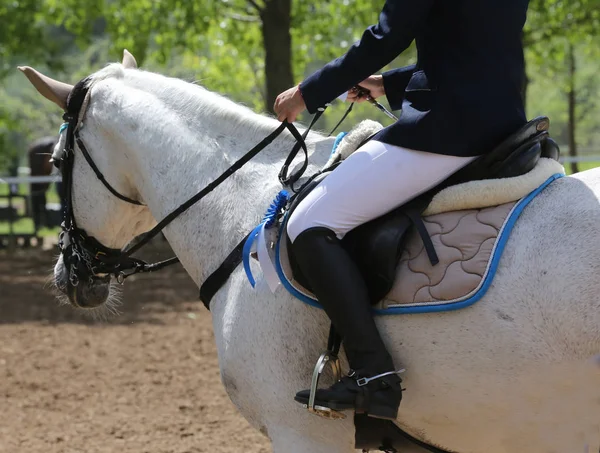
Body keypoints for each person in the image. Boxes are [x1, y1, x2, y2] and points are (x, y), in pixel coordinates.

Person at [274, 0, 530, 420]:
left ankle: (373, 375)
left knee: (308, 221)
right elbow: (476, 50)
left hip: (448, 128)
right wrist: (387, 85)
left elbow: (386, 36)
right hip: (503, 118)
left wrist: (307, 93)